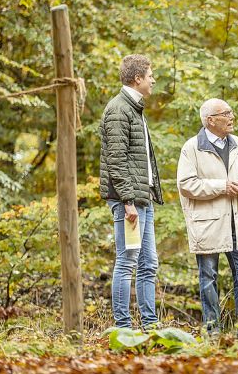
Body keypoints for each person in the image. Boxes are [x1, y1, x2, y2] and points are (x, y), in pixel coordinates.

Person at [177, 98, 238, 339]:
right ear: (210, 120)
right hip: (209, 224)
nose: (231, 117)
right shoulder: (192, 147)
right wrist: (223, 186)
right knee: (208, 278)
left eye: (231, 111)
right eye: (226, 113)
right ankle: (212, 329)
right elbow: (186, 184)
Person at [99, 54, 163, 329]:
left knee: (149, 264)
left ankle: (149, 325)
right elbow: (116, 159)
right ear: (137, 78)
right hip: (128, 202)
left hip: (142, 198)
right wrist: (127, 201)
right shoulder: (118, 109)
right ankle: (123, 328)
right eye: (150, 75)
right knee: (127, 263)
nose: (153, 79)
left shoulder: (134, 109)